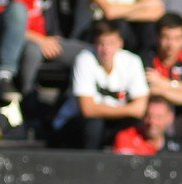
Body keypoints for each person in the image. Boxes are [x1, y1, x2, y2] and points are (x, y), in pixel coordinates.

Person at [54, 21, 149, 151]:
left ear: (120, 43)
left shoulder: (132, 61)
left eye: (111, 43)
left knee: (140, 125)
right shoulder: (84, 59)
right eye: (101, 44)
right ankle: (91, 165)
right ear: (94, 43)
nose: (106, 49)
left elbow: (140, 109)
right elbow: (87, 110)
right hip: (74, 125)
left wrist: (101, 108)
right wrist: (129, 109)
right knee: (94, 124)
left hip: (111, 124)